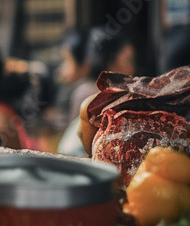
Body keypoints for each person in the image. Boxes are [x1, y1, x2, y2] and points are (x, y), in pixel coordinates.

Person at [58, 25, 136, 156]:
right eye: (128, 61)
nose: (133, 69)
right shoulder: (92, 94)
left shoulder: (89, 90)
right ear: (111, 62)